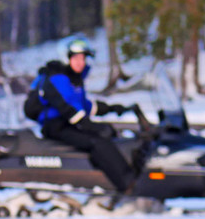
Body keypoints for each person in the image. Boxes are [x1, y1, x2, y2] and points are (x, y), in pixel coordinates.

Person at [31, 36, 136, 193]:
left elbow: (84, 106)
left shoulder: (72, 79)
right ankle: (129, 185)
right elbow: (69, 110)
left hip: (66, 123)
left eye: (83, 58)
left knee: (104, 136)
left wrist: (113, 108)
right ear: (66, 58)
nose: (81, 62)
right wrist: (93, 126)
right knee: (97, 142)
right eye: (76, 58)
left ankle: (110, 183)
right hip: (55, 125)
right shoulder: (59, 78)